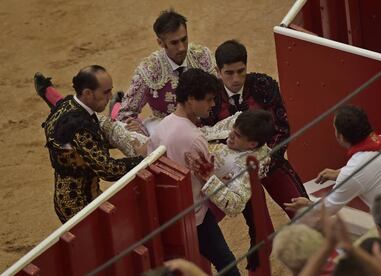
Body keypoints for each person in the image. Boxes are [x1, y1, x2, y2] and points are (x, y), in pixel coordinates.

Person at [148, 68, 240, 275]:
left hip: (169, 215)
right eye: (208, 100)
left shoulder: (162, 126)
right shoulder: (193, 137)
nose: (213, 104)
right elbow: (208, 179)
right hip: (195, 216)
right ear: (191, 99)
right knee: (227, 263)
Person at [202, 39, 307, 219]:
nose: (236, 79)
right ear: (218, 72)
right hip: (233, 172)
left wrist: (263, 161)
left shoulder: (263, 86)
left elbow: (282, 129)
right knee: (209, 221)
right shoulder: (210, 97)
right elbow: (209, 136)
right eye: (229, 73)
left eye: (241, 71)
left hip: (270, 162)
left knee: (303, 212)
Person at [42, 65, 144, 223]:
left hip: (73, 196)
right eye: (105, 92)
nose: (109, 95)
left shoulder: (68, 104)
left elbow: (88, 146)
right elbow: (108, 169)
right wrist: (142, 159)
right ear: (88, 93)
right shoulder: (80, 127)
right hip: (80, 205)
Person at [285, 105, 381, 215]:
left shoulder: (354, 171)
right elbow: (372, 171)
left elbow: (329, 208)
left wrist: (307, 204)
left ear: (340, 137)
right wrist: (341, 173)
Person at [116, 9, 216, 122]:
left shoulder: (202, 57)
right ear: (160, 43)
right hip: (165, 132)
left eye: (184, 39)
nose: (182, 48)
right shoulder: (149, 69)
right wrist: (138, 127)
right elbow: (125, 114)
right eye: (174, 43)